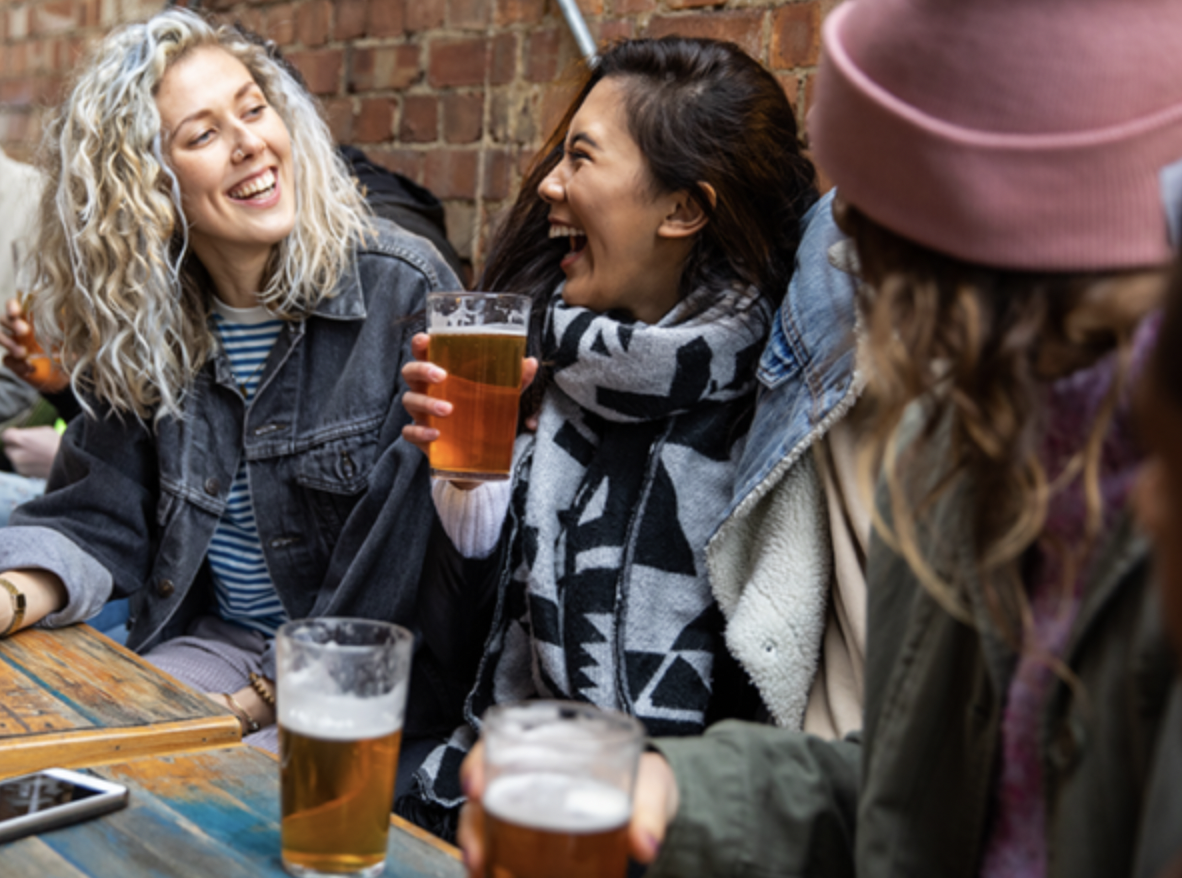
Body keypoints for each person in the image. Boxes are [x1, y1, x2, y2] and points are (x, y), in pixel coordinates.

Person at [454, 0, 1182, 874]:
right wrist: (671, 790)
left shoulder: (1127, 482)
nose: (835, 239)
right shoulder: (981, 448)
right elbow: (919, 804)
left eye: (873, 209)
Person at [0, 8, 460, 751]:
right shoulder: (147, 319)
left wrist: (258, 703)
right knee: (58, 747)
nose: (251, 143)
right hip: (222, 643)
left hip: (366, 676)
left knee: (190, 796)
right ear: (146, 186)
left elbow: (409, 572)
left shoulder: (399, 290)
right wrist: (12, 594)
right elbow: (96, 517)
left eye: (254, 109)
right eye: (204, 134)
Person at [396, 36, 819, 837]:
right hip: (491, 789)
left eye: (582, 159)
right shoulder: (534, 353)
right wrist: (467, 486)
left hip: (663, 829)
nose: (550, 183)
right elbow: (448, 666)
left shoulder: (770, 417)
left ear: (683, 210)